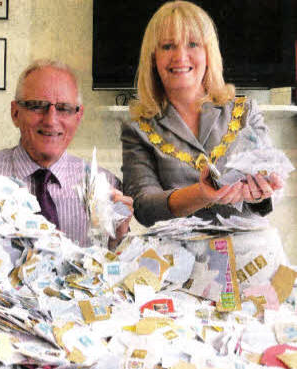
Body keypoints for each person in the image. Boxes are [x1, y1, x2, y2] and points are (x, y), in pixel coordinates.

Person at [121, 1, 283, 227]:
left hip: (249, 254)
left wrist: (263, 192)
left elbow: (272, 187)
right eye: (168, 46)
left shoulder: (245, 112)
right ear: (152, 57)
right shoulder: (137, 129)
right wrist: (201, 193)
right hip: (178, 258)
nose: (180, 56)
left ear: (209, 53)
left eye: (193, 44)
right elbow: (144, 207)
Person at [0, 59, 133, 247]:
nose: (51, 120)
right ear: (15, 113)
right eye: (37, 106)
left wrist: (117, 239)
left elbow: (118, 267)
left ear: (78, 117)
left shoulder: (108, 187)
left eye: (64, 108)